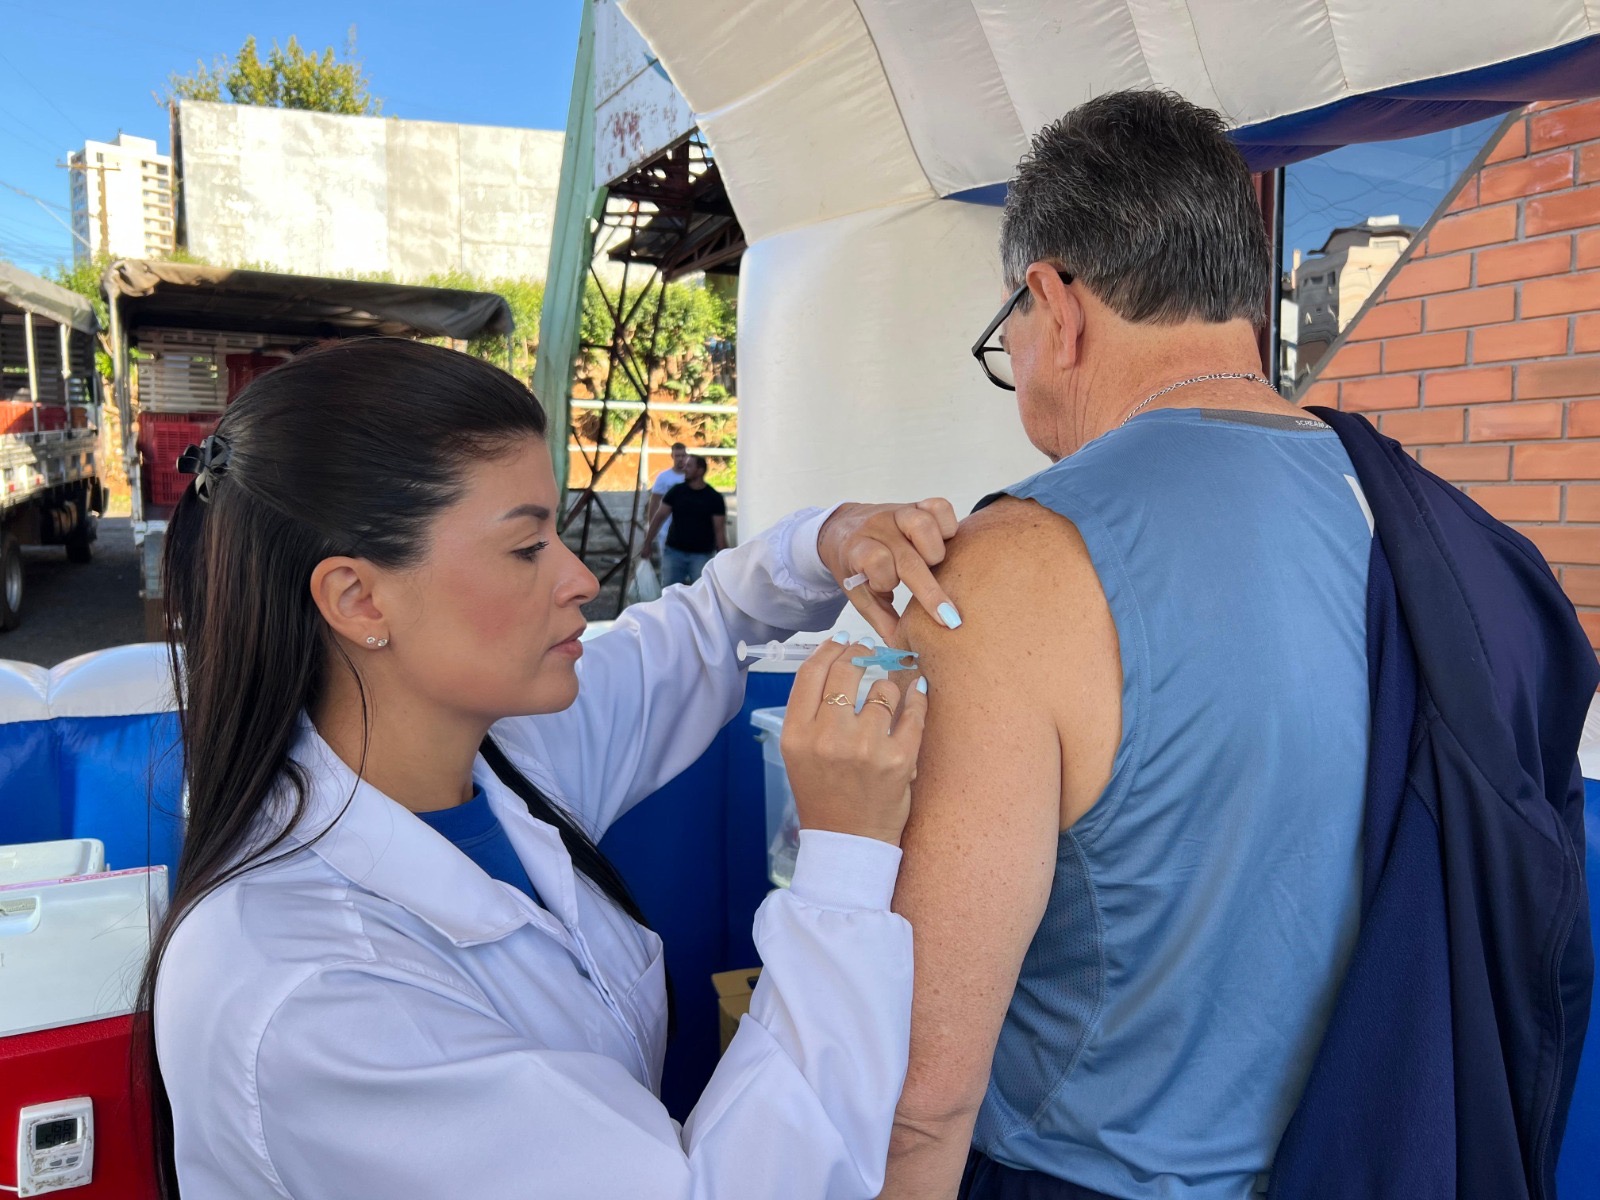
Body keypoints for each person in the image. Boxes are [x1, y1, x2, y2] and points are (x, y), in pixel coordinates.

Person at [143, 337, 966, 1199]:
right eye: (526, 547)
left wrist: (829, 540)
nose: (580, 579)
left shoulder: (501, 759)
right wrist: (841, 864)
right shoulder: (311, 995)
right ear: (359, 599)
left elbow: (709, 622)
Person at [881, 91, 1375, 1199]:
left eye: (1005, 337)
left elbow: (925, 1091)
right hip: (1377, 1154)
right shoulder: (1413, 518)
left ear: (1055, 305)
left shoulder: (1011, 567)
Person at [641, 452, 726, 586]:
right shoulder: (676, 492)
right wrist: (647, 543)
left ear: (700, 470)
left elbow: (719, 530)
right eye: (685, 466)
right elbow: (659, 517)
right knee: (670, 592)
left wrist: (724, 556)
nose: (684, 469)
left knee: (701, 592)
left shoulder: (714, 498)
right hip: (674, 552)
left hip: (701, 555)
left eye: (689, 466)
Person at [645, 442, 690, 559]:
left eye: (683, 455)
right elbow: (654, 502)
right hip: (666, 527)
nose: (680, 459)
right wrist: (651, 526)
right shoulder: (663, 477)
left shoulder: (692, 477)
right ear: (672, 456)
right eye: (677, 456)